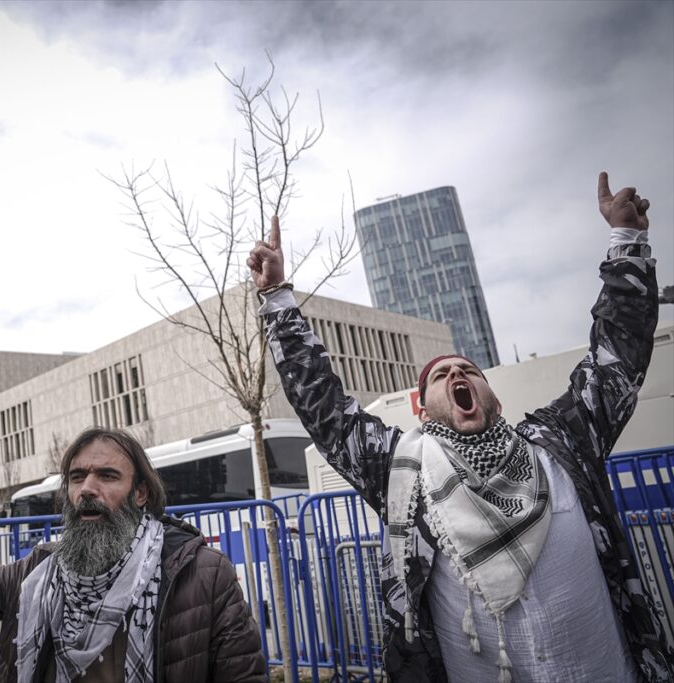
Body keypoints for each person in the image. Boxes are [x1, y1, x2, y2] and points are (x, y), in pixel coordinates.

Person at [248, 172, 674, 682]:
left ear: (490, 395)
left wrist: (627, 241)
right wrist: (276, 298)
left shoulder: (562, 444)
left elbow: (616, 358)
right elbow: (326, 410)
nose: (456, 374)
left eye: (468, 370)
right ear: (423, 411)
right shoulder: (400, 471)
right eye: (441, 375)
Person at [0, 425, 267, 682]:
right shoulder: (36, 573)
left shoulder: (202, 575)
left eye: (107, 476)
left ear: (140, 493)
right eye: (77, 477)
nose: (87, 489)